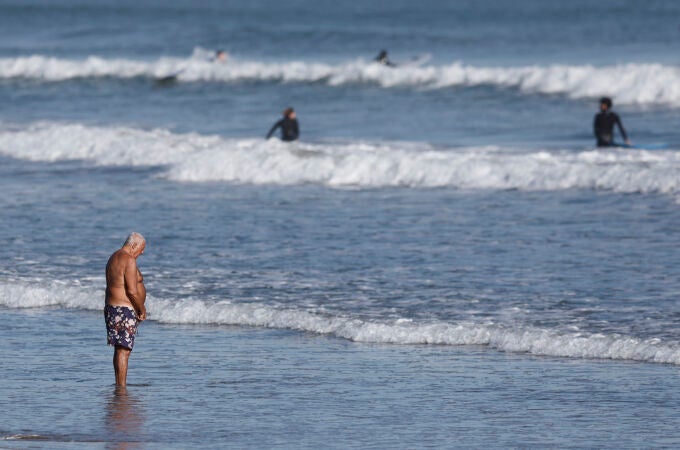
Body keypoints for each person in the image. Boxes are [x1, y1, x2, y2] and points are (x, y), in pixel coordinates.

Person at [104, 232, 147, 386]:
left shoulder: (113, 257)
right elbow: (131, 291)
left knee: (121, 348)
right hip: (123, 309)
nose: (142, 252)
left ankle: (119, 385)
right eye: (141, 249)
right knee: (123, 349)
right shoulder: (128, 260)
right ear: (134, 245)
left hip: (113, 307)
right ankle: (121, 387)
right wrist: (141, 309)